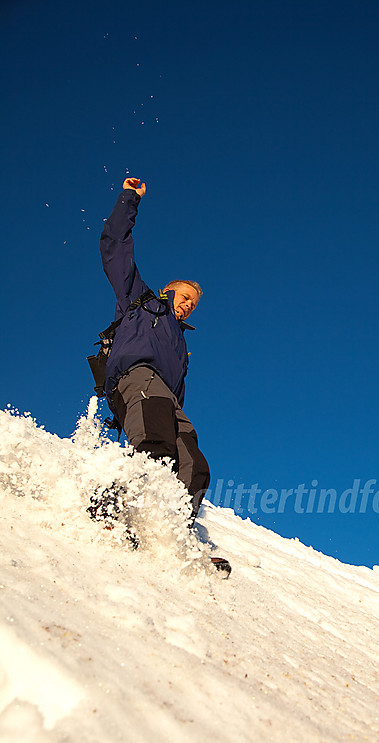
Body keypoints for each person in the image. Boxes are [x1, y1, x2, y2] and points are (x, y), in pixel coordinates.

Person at [100, 176, 210, 523]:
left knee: (194, 465)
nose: (189, 306)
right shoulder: (141, 300)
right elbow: (115, 245)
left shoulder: (180, 343)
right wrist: (130, 198)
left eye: (194, 304)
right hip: (137, 378)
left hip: (166, 399)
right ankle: (110, 509)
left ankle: (173, 533)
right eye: (186, 297)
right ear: (168, 291)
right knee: (156, 444)